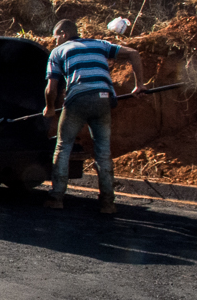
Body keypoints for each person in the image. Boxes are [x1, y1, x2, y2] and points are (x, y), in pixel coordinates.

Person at [43, 19, 146, 214]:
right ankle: (108, 203)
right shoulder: (99, 44)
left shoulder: (58, 52)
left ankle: (56, 197)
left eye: (55, 36)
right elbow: (132, 53)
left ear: (64, 34)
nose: (54, 40)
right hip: (104, 99)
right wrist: (139, 85)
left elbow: (51, 88)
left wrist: (48, 108)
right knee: (103, 151)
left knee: (63, 147)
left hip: (78, 100)